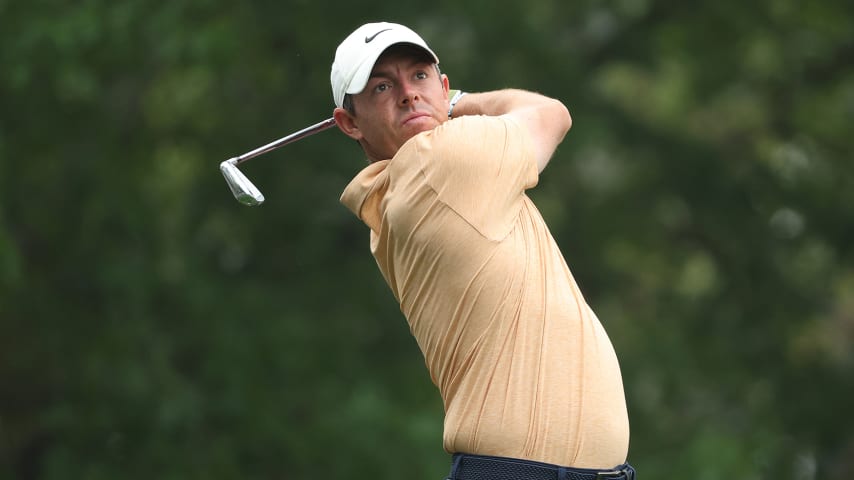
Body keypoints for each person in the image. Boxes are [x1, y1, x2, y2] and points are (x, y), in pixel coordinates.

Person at [330, 22, 636, 480]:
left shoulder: (406, 189)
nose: (408, 94)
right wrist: (458, 103)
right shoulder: (438, 161)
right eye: (381, 86)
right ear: (349, 122)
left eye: (419, 76)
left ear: (440, 81)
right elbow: (551, 113)